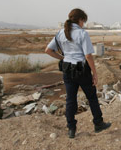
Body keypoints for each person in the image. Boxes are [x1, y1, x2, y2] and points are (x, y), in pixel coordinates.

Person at [45, 8, 111, 138]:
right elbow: (88, 56)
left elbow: (48, 50)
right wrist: (95, 73)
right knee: (92, 97)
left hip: (67, 70)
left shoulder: (60, 33)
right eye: (83, 21)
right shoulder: (82, 33)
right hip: (82, 70)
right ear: (80, 19)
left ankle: (71, 129)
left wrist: (63, 58)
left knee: (70, 99)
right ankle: (98, 123)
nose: (83, 24)